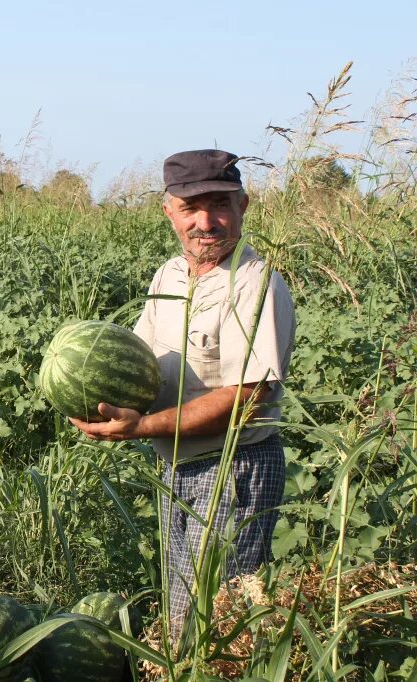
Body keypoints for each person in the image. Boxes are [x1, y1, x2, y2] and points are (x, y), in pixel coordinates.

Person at [70, 149, 295, 643]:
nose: (205, 221)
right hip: (173, 467)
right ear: (168, 211)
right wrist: (87, 393)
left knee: (218, 619)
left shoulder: (256, 285)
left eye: (219, 204)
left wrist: (141, 427)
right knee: (181, 607)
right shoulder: (169, 276)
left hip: (234, 469)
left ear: (244, 205)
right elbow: (134, 362)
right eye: (190, 207)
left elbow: (248, 398)